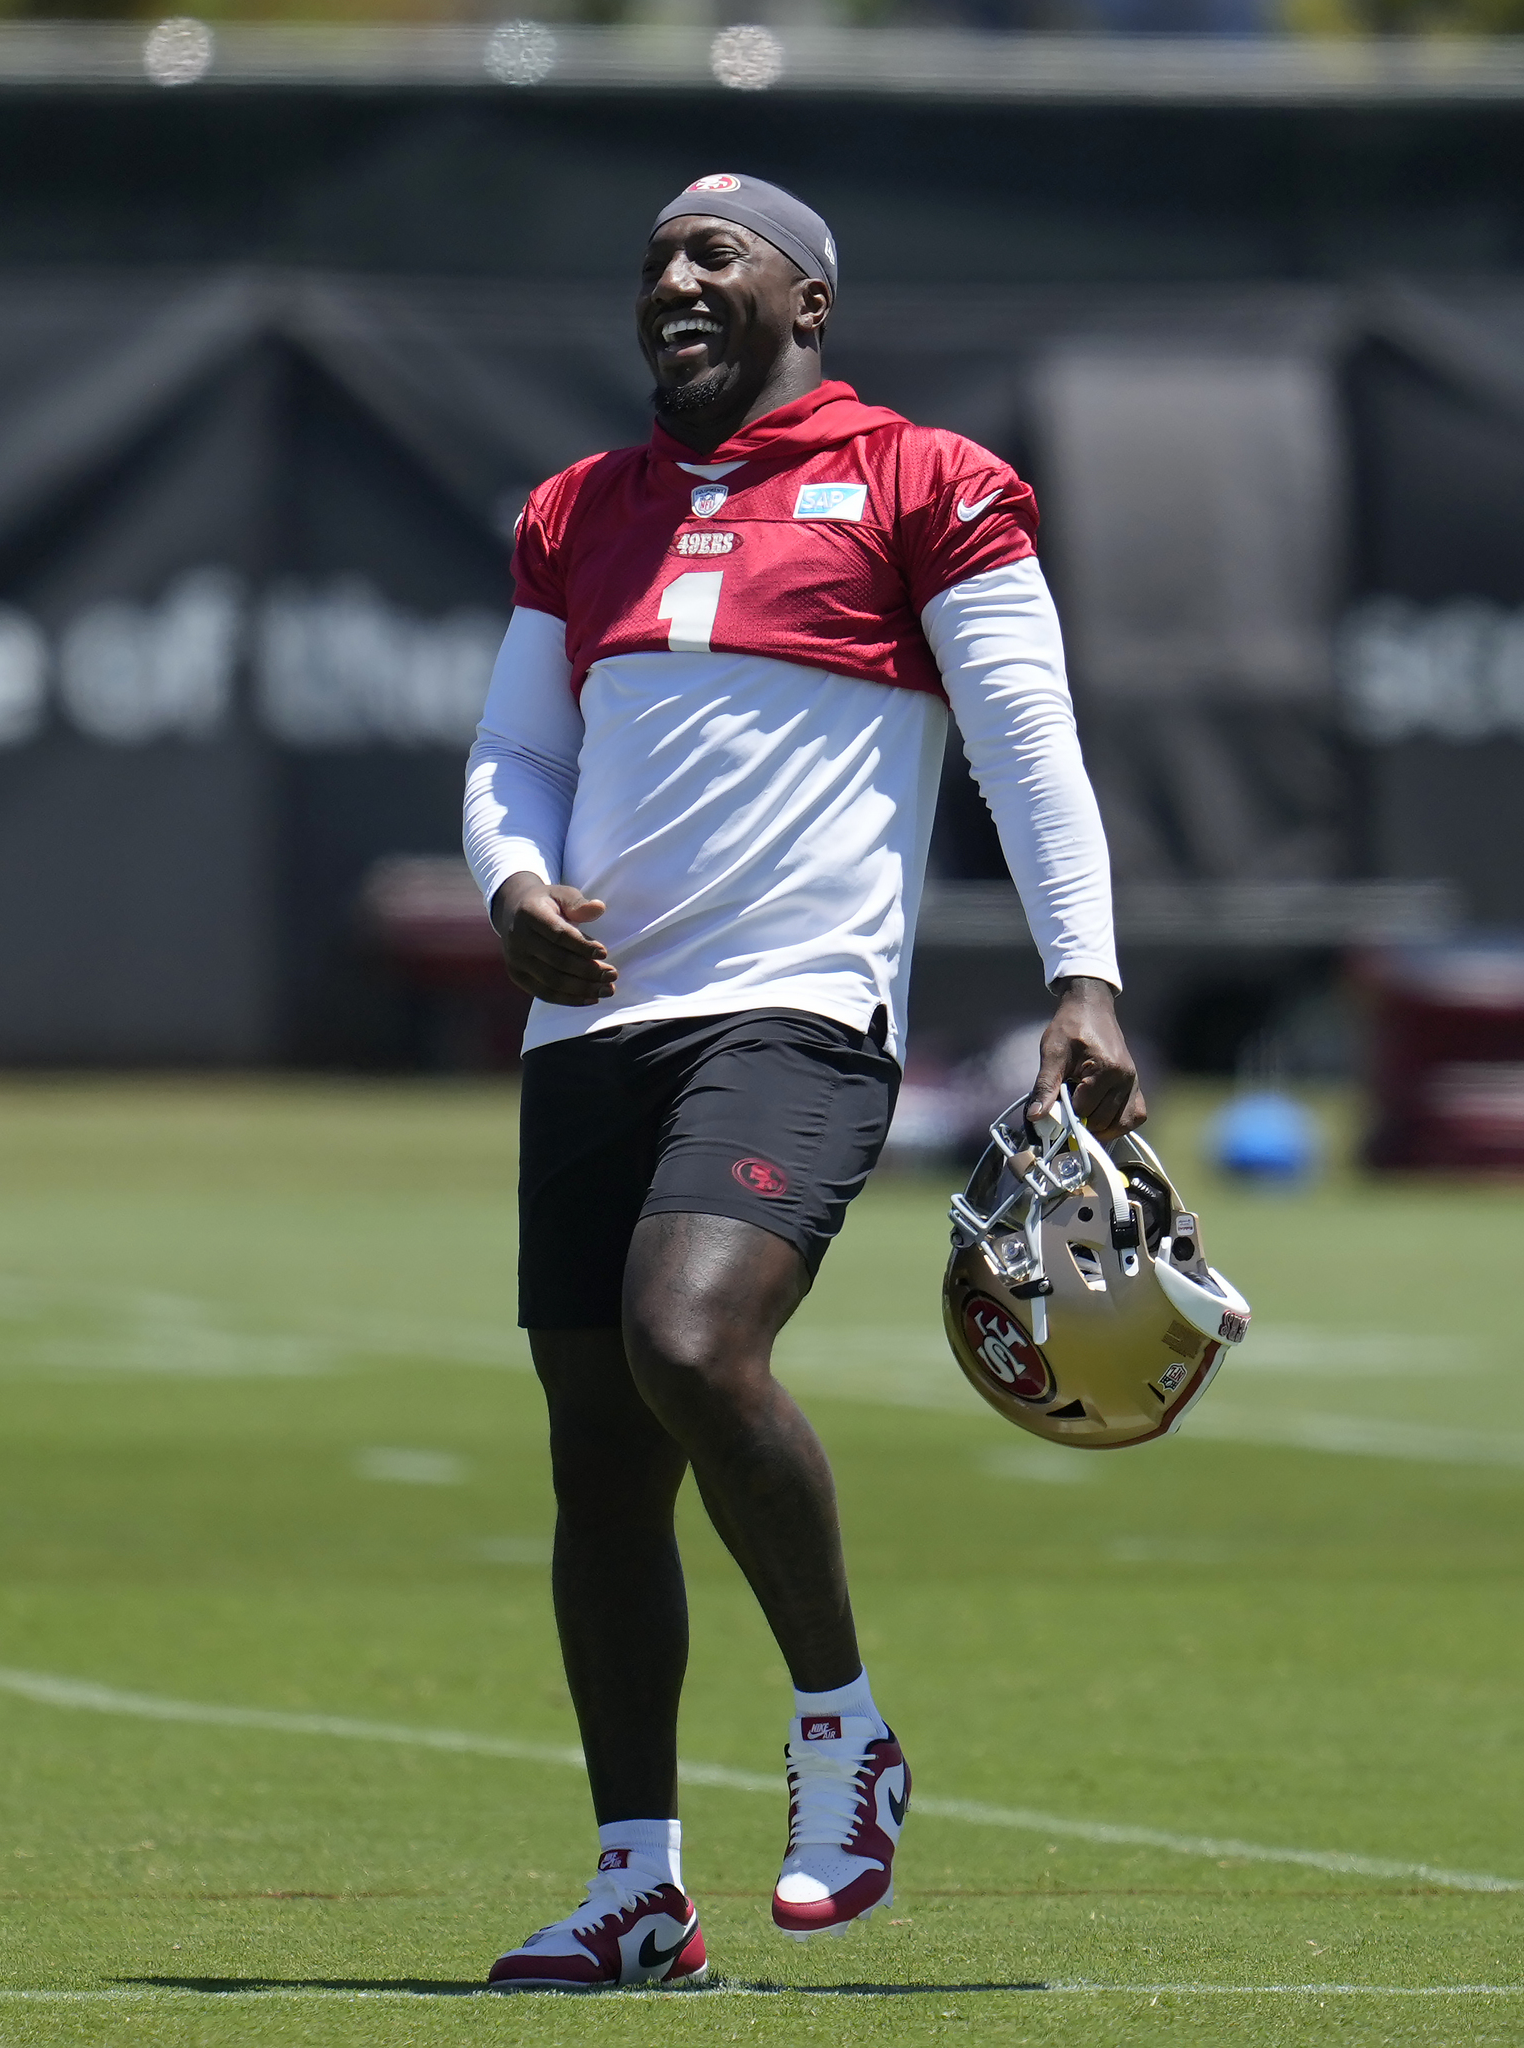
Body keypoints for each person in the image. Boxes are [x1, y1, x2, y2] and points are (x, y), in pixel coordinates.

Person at [459, 173, 1139, 1990]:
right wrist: (513, 885)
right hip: (591, 1027)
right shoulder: (575, 510)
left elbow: (1027, 745)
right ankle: (634, 1889)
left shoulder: (927, 483)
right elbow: (518, 750)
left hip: (796, 1013)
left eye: (714, 256)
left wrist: (1084, 974)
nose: (673, 281)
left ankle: (844, 1731)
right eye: (656, 261)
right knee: (597, 1461)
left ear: (806, 301)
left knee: (691, 1340)